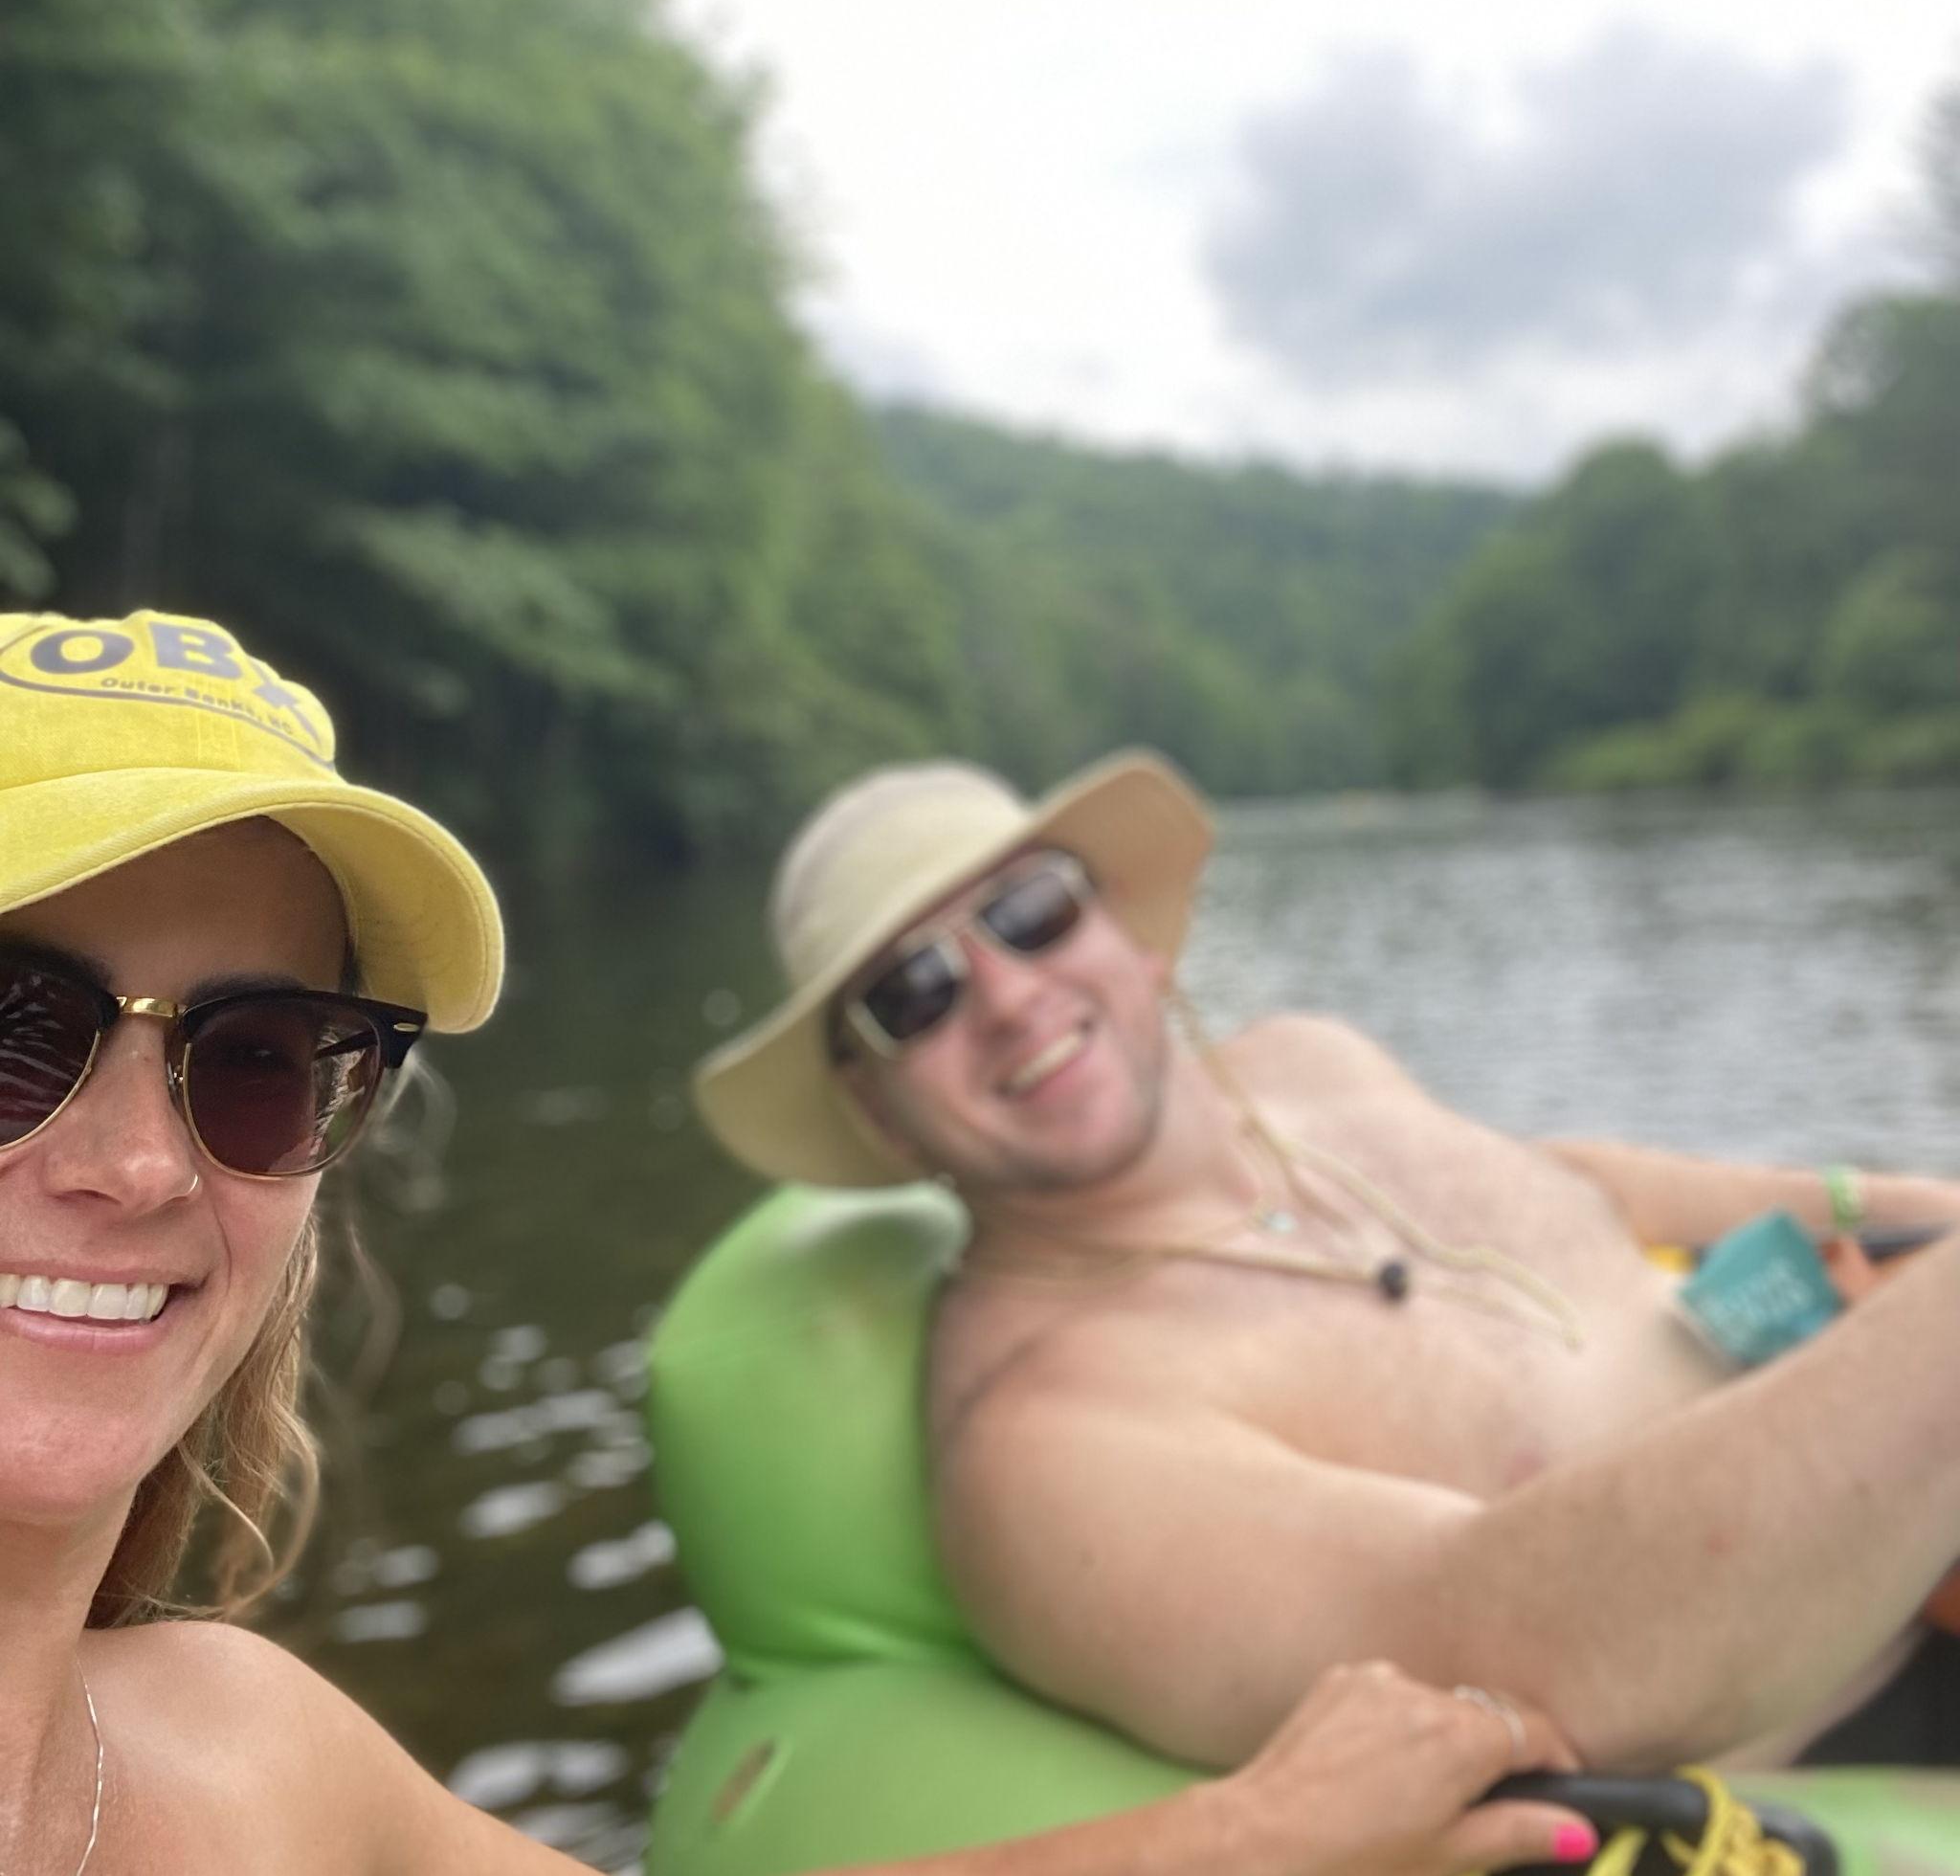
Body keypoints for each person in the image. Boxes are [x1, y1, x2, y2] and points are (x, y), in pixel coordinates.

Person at [0, 610, 1594, 1876]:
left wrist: (1250, 1838)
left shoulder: (245, 1754)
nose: (140, 1164)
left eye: (259, 1059)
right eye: (14, 1034)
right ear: (873, 1106)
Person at [694, 749, 1960, 1777]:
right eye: (912, 995)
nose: (1009, 994)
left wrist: (1890, 1206)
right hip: (1857, 1723)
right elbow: (1528, 1659)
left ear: (1131, 932)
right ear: (876, 1112)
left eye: (1032, 912)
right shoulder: (1045, 1445)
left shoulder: (1313, 1063)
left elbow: (1580, 1189)